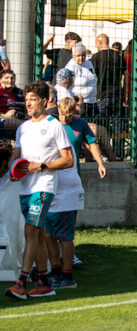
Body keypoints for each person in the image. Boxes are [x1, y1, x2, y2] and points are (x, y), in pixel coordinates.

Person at [5, 80, 73, 300]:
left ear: (44, 101)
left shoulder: (55, 125)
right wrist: (13, 170)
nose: (29, 104)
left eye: (33, 100)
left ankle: (21, 282)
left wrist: (42, 166)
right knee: (40, 233)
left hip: (44, 187)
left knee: (31, 231)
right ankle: (44, 282)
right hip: (25, 187)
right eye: (26, 100)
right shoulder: (23, 128)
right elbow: (17, 155)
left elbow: (68, 160)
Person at [44, 96, 107, 290]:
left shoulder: (80, 123)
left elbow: (91, 142)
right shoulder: (50, 123)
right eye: (63, 115)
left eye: (70, 115)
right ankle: (55, 270)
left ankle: (67, 273)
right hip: (49, 182)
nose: (66, 118)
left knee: (65, 232)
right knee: (48, 232)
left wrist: (100, 163)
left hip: (70, 184)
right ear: (58, 111)